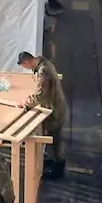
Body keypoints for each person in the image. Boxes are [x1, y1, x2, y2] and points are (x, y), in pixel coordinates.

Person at [17, 51, 67, 179]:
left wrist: (26, 104)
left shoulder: (43, 71)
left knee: (55, 138)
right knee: (54, 137)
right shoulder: (44, 63)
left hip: (54, 109)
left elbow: (39, 95)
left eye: (25, 66)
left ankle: (58, 167)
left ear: (27, 62)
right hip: (55, 105)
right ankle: (55, 160)